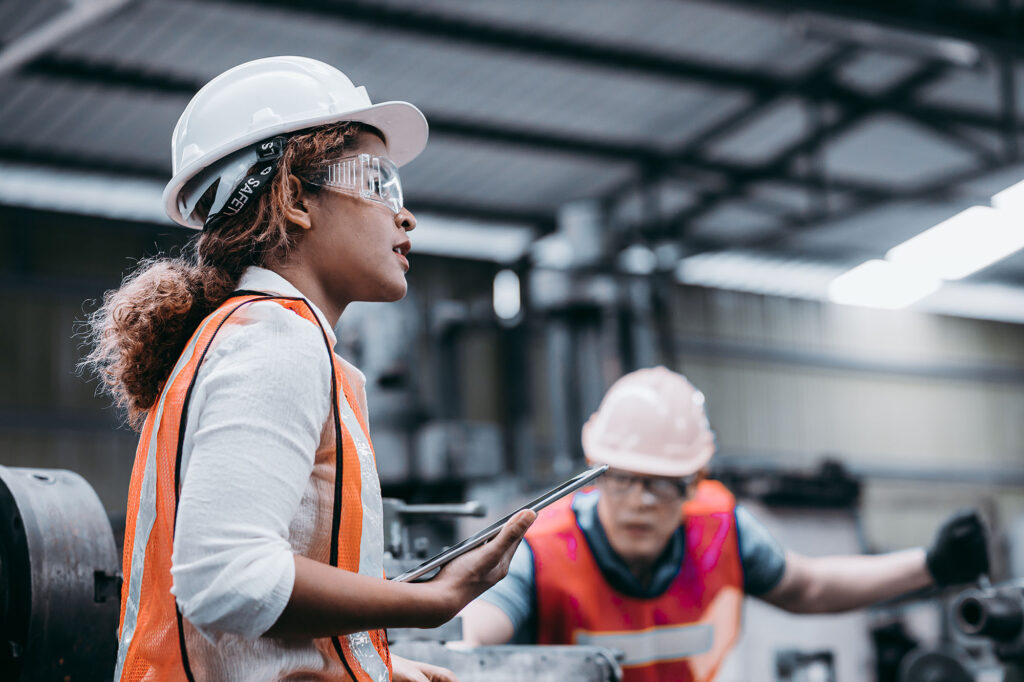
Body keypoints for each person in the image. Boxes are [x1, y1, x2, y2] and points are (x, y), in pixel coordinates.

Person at [82, 56, 534, 682]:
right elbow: (226, 578)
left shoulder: (249, 336)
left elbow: (238, 622)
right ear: (294, 198)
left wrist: (371, 661)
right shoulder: (275, 340)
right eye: (378, 183)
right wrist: (429, 601)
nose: (405, 217)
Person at [460, 366, 989, 682]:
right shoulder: (543, 549)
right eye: (623, 478)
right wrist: (446, 648)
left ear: (694, 482)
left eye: (663, 482)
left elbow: (809, 586)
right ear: (597, 475)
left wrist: (932, 565)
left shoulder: (722, 533)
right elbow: (479, 627)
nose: (642, 500)